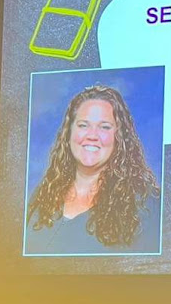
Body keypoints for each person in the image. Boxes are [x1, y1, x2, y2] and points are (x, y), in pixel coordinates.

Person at [25, 83, 160, 255]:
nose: (92, 135)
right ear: (69, 133)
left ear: (119, 138)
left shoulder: (145, 204)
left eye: (104, 127)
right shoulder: (43, 194)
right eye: (83, 125)